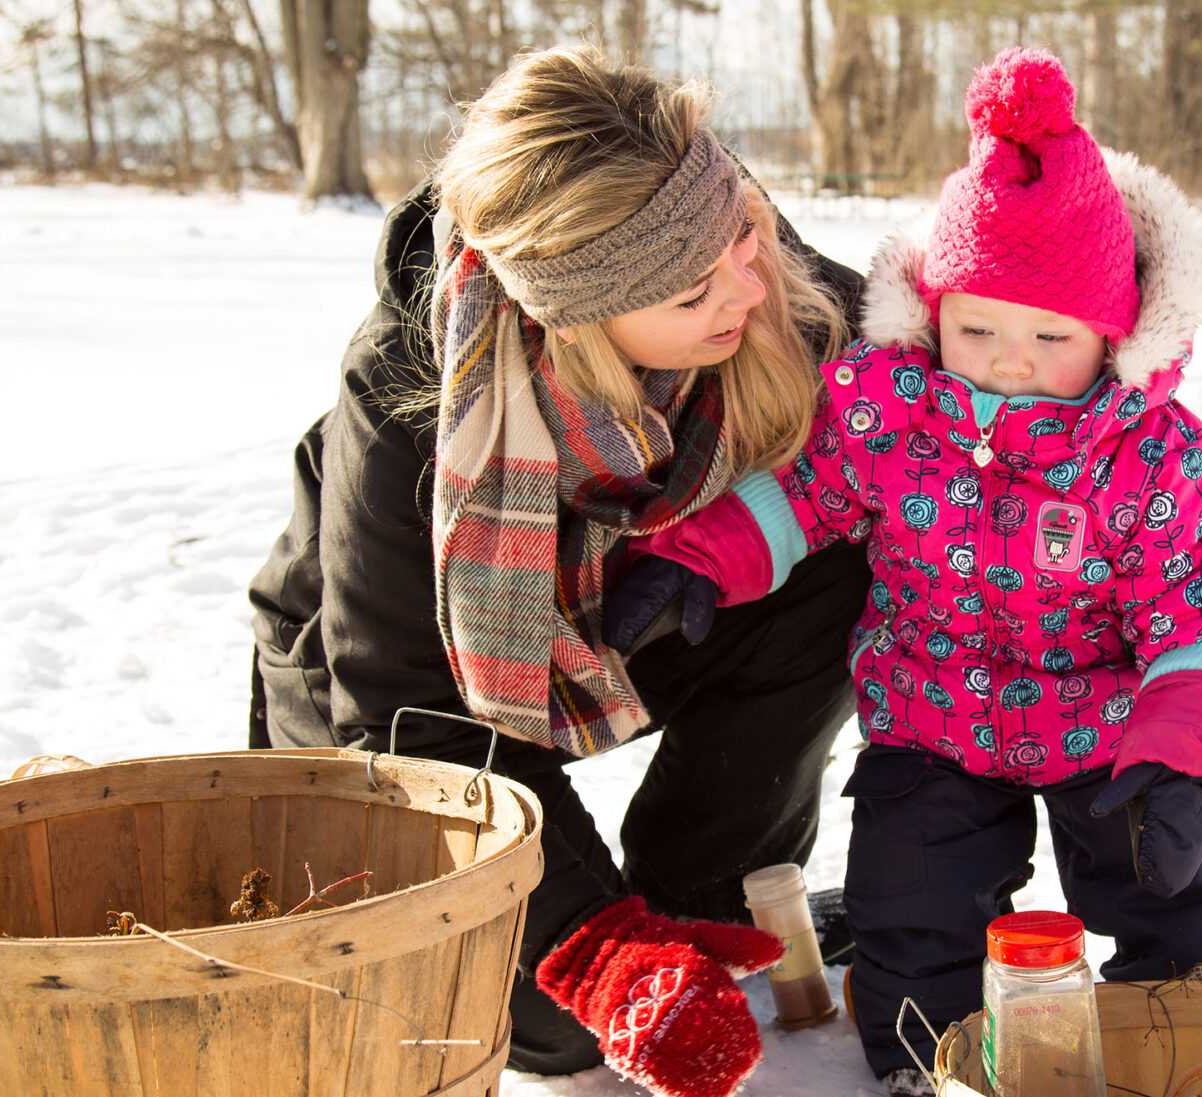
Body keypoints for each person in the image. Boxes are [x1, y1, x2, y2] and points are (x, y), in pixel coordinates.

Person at [612, 48, 1202, 1096]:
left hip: (1116, 728)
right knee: (908, 907)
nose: (1009, 360)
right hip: (933, 719)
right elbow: (806, 492)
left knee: (1175, 888)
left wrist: (1183, 752)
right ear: (936, 311)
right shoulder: (887, 408)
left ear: (1113, 334)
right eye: (977, 327)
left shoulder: (1147, 454)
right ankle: (928, 1063)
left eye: (1049, 335)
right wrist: (699, 558)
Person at [245, 47, 870, 1097]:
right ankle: (615, 946)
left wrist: (1169, 500)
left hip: (646, 600)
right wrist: (593, 944)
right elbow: (407, 711)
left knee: (851, 552)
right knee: (556, 1027)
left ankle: (701, 899)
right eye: (692, 289)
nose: (747, 290)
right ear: (576, 316)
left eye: (743, 241)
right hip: (408, 669)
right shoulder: (406, 391)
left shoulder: (769, 282)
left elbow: (984, 410)